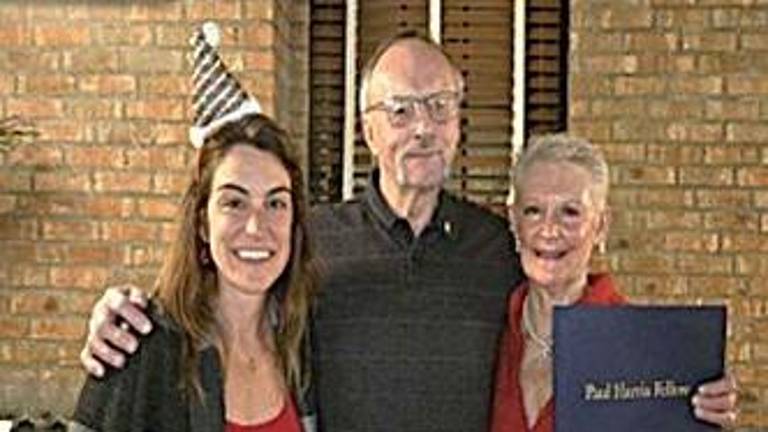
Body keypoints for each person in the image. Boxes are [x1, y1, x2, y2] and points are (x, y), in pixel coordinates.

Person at [79, 32, 522, 432]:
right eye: (400, 111)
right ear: (368, 131)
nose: (423, 127)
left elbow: (549, 330)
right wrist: (121, 317)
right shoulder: (313, 243)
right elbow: (209, 299)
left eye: (440, 105)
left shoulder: (502, 248)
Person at [71, 114, 317, 432]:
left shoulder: (306, 345)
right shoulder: (140, 344)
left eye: (275, 204)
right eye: (234, 203)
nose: (256, 227)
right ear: (202, 224)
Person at [490, 134, 738, 432]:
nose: (549, 230)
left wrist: (703, 407)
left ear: (601, 227)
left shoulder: (648, 349)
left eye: (570, 212)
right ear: (513, 222)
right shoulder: (484, 329)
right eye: (533, 211)